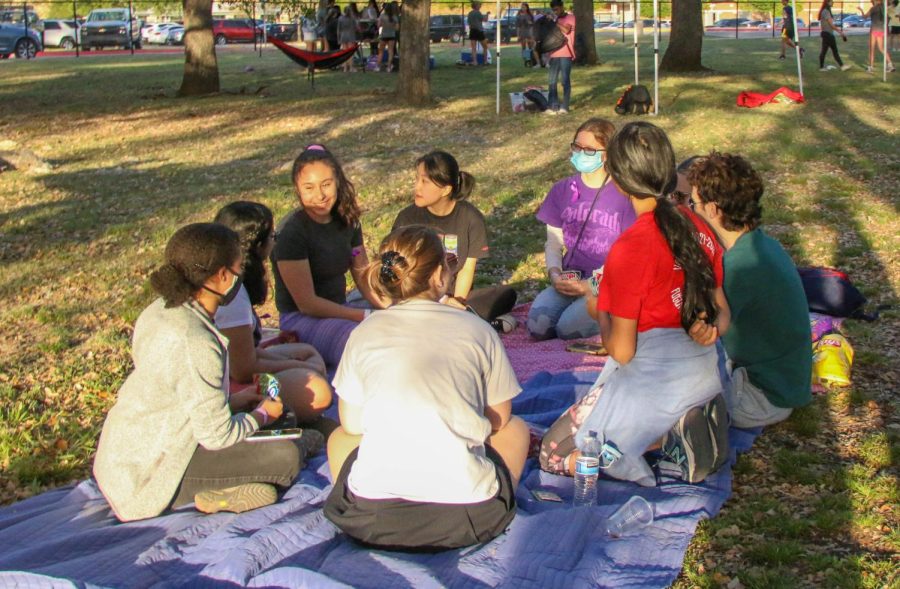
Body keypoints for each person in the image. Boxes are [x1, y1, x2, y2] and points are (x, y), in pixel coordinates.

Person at [539, 122, 731, 487]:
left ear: (620, 179)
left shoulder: (631, 249)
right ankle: (672, 431)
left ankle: (651, 443)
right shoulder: (699, 226)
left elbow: (622, 352)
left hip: (651, 386)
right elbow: (724, 314)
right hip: (703, 378)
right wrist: (711, 330)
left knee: (553, 453)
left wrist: (598, 309)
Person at [93, 223, 319, 522]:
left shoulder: (159, 311)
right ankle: (214, 493)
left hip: (126, 456)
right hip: (154, 474)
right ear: (224, 276)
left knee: (304, 435)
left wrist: (236, 403)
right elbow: (217, 437)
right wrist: (263, 414)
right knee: (287, 456)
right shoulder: (195, 341)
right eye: (239, 267)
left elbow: (177, 391)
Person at [323, 225, 529, 551]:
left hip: (372, 520)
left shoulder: (364, 332)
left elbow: (351, 423)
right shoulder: (478, 330)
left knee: (338, 438)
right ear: (438, 275)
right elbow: (500, 418)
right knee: (516, 430)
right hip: (468, 518)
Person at [686, 153, 812, 428]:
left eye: (692, 203)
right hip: (783, 383)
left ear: (713, 209)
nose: (690, 210)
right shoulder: (760, 244)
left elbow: (697, 328)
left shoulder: (740, 267)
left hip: (762, 397)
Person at [213, 202, 333, 425]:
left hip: (237, 367)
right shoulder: (232, 296)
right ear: (257, 245)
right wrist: (300, 368)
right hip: (232, 387)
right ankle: (273, 412)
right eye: (272, 236)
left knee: (306, 351)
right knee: (317, 388)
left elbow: (249, 352)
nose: (274, 241)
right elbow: (243, 370)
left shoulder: (234, 285)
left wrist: (295, 361)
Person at [272, 144, 383, 369]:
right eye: (309, 188)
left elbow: (362, 274)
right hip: (302, 319)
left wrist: (387, 306)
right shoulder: (292, 233)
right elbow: (307, 304)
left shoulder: (348, 221)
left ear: (337, 182)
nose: (320, 195)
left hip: (342, 309)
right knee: (366, 346)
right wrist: (362, 315)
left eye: (326, 185)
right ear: (297, 188)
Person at [527, 118, 636, 341]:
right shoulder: (562, 190)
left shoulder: (625, 195)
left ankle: (613, 315)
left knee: (568, 330)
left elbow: (629, 258)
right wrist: (555, 274)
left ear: (607, 154)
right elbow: (554, 241)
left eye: (588, 149)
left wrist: (591, 285)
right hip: (569, 278)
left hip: (607, 284)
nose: (579, 153)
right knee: (537, 326)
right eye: (576, 146)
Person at [392, 150, 517, 328]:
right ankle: (476, 322)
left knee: (505, 294)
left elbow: (467, 269)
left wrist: (457, 304)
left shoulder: (470, 218)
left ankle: (460, 319)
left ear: (446, 189)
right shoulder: (407, 219)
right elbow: (399, 272)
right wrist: (441, 300)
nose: (417, 187)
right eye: (416, 179)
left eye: (424, 181)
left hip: (455, 296)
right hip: (416, 295)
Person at [545, 0, 575, 115]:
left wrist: (554, 21)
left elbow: (566, 30)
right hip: (554, 53)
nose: (555, 12)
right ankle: (552, 105)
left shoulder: (570, 17)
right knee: (552, 81)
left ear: (562, 7)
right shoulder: (555, 19)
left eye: (557, 9)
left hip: (566, 53)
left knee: (565, 80)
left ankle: (565, 106)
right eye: (553, 10)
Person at [860, 0, 896, 72]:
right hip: (881, 30)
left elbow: (865, 17)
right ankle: (890, 65)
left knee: (871, 49)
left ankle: (871, 67)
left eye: (872, 1)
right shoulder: (884, 8)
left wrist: (861, 10)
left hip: (874, 30)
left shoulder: (873, 8)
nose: (871, 2)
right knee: (881, 48)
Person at [819, 0, 851, 70]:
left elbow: (830, 24)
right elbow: (832, 25)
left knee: (824, 51)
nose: (832, 2)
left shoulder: (826, 11)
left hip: (826, 34)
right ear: (827, 2)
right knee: (834, 51)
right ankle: (842, 66)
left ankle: (821, 67)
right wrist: (841, 33)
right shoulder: (826, 11)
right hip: (828, 34)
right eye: (831, 1)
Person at [377, 1, 399, 72]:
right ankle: (389, 67)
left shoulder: (382, 16)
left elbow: (378, 25)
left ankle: (378, 66)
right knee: (390, 51)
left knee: (381, 51)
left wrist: (383, 25)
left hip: (383, 35)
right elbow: (397, 28)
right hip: (391, 35)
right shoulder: (394, 17)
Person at [467, 1, 490, 66]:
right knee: (485, 47)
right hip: (479, 31)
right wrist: (487, 14)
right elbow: (485, 20)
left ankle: (475, 62)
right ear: (476, 6)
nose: (480, 6)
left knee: (473, 48)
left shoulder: (470, 13)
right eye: (479, 5)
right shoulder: (478, 13)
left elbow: (469, 23)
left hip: (472, 31)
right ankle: (485, 61)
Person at [337, 5, 358, 72]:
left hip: (343, 36)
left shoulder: (340, 18)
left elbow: (338, 30)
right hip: (351, 36)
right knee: (350, 53)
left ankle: (345, 68)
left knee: (344, 52)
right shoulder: (352, 18)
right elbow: (356, 27)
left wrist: (338, 38)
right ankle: (351, 67)